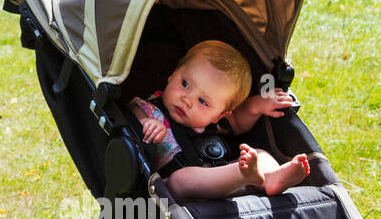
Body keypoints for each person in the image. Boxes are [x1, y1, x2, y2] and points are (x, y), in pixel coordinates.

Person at [129, 40, 310, 201]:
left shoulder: (210, 123)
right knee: (180, 180)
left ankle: (271, 177)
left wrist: (255, 107)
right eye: (185, 84)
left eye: (202, 101)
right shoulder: (149, 109)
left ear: (219, 115)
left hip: (221, 176)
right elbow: (132, 112)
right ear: (173, 74)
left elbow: (238, 122)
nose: (187, 100)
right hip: (175, 189)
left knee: (260, 153)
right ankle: (244, 175)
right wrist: (146, 122)